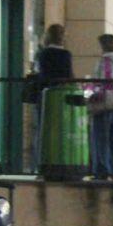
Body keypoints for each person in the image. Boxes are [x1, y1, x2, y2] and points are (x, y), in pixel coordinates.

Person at [30, 24, 73, 172]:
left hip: (44, 93)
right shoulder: (66, 54)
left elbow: (37, 71)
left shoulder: (42, 54)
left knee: (41, 129)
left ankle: (39, 165)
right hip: (60, 96)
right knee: (59, 128)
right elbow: (69, 76)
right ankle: (58, 162)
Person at [84, 34, 113, 180]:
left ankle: (101, 170)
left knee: (100, 138)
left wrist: (87, 92)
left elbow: (98, 83)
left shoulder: (104, 62)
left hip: (103, 104)